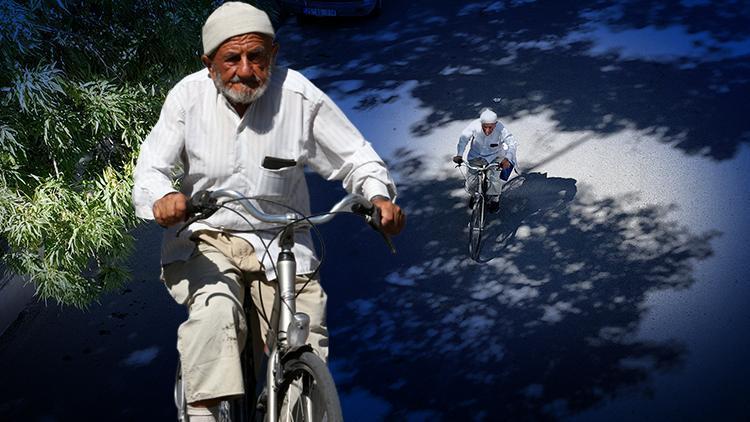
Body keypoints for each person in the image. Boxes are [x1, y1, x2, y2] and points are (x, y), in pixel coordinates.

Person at [131, 3, 405, 420]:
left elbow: (357, 158)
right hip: (207, 237)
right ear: (208, 64)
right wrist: (163, 198)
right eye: (232, 59)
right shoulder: (187, 98)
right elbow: (151, 167)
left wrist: (378, 196)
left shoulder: (298, 96)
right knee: (216, 316)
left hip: (284, 241)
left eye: (256, 56)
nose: (245, 70)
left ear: (272, 56)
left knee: (304, 333)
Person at [453, 109, 518, 213]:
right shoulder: (474, 125)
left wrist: (507, 159)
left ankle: (495, 199)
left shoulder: (501, 129)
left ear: (495, 124)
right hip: (476, 156)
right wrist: (459, 154)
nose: (487, 131)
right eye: (485, 127)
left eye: (490, 127)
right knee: (471, 183)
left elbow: (512, 144)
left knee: (495, 180)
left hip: (494, 157)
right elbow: (463, 139)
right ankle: (474, 195)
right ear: (481, 124)